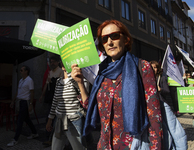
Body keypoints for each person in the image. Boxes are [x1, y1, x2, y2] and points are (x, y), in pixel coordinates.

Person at [71, 20, 187, 150]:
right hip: (105, 145)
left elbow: (154, 116)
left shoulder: (142, 67)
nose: (109, 42)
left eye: (114, 36)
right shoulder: (102, 72)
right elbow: (95, 110)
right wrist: (80, 83)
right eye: (104, 39)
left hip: (133, 145)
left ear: (125, 39)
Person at [46, 61, 89, 150]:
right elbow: (55, 101)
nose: (64, 63)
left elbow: (86, 100)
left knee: (78, 148)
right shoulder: (58, 81)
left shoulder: (80, 79)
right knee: (55, 148)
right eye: (62, 60)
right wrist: (50, 119)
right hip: (59, 120)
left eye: (67, 60)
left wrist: (74, 77)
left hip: (74, 120)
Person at [7, 65, 38, 147]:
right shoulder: (21, 80)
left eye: (21, 70)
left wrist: (31, 104)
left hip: (25, 102)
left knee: (20, 120)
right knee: (26, 119)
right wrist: (13, 101)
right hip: (20, 101)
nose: (20, 71)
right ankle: (34, 132)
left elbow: (32, 92)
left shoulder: (29, 80)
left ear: (26, 71)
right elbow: (18, 91)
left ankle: (15, 139)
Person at [39, 55, 64, 147]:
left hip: (57, 98)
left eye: (53, 62)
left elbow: (61, 84)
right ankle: (49, 136)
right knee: (49, 117)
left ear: (58, 62)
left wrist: (53, 81)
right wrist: (42, 95)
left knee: (55, 119)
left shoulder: (61, 71)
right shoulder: (50, 72)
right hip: (50, 98)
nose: (52, 63)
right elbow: (46, 84)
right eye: (51, 62)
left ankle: (54, 138)